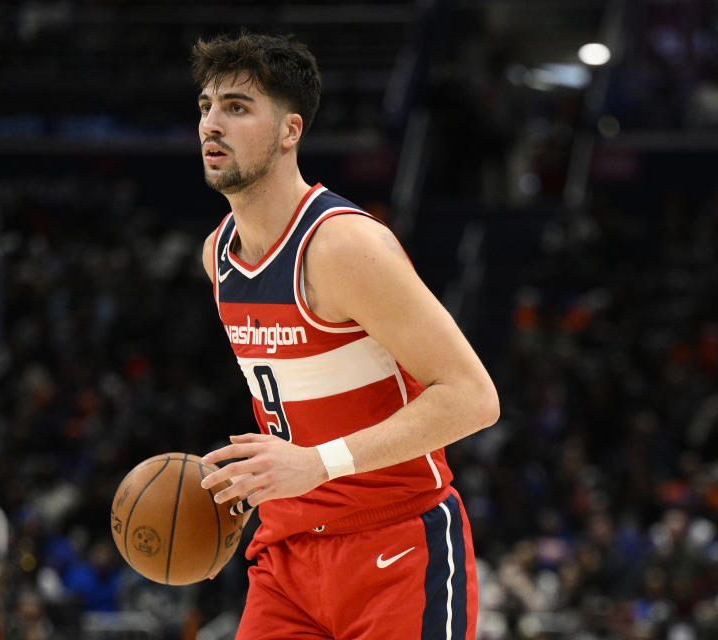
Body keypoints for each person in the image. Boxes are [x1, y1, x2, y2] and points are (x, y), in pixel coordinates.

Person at [193, 32, 499, 640]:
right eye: (205, 106)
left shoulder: (343, 246)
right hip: (287, 556)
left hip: (394, 544)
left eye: (237, 106)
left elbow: (474, 398)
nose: (212, 124)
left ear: (290, 131)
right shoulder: (217, 255)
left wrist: (318, 464)